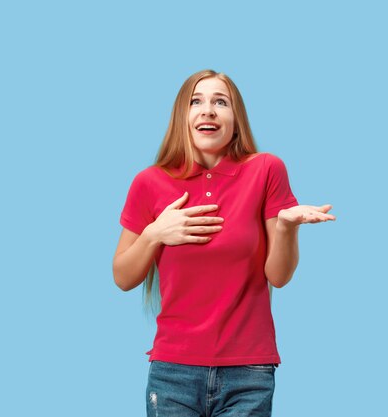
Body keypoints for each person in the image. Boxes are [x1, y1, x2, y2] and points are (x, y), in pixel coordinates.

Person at [113, 69, 335, 417]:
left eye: (221, 102)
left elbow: (277, 276)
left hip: (248, 372)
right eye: (196, 101)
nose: (208, 110)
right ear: (181, 117)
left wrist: (288, 228)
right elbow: (123, 277)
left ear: (236, 119)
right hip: (173, 371)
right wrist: (155, 233)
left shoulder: (266, 170)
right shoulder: (149, 182)